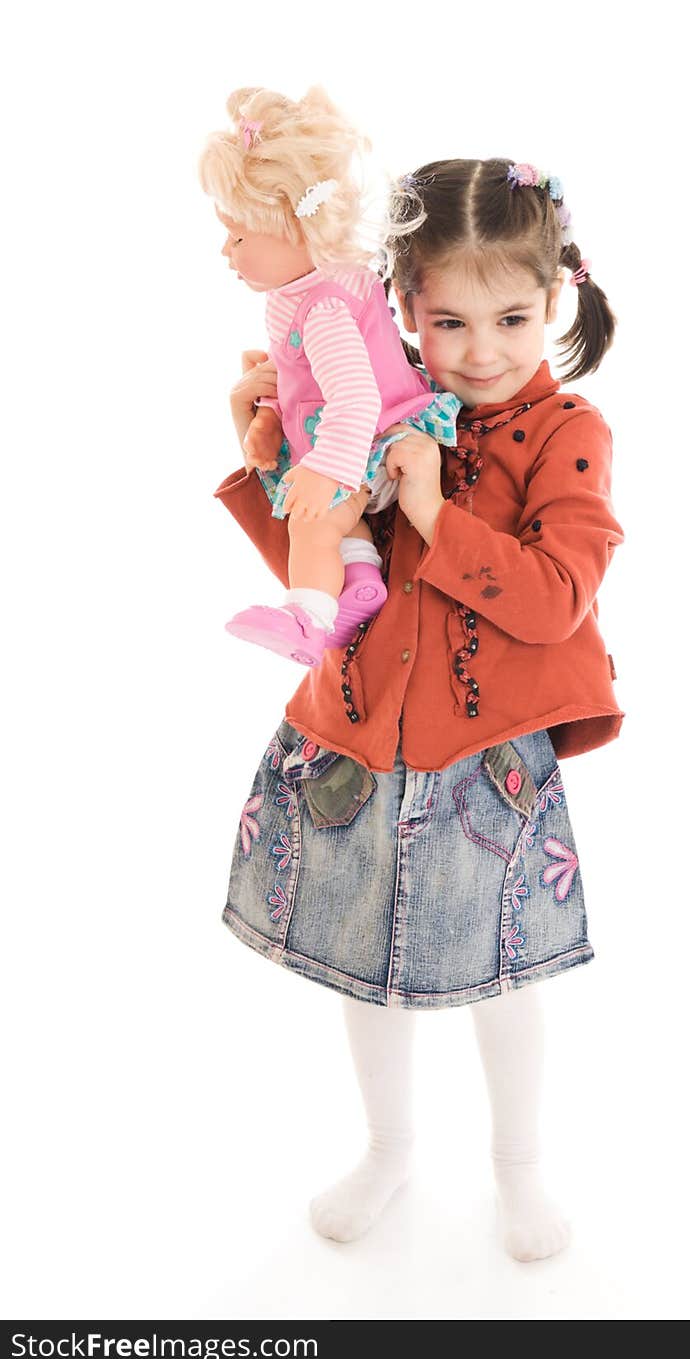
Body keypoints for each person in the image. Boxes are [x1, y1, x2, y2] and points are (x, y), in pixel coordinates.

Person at [214, 158, 625, 1262]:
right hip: (355, 737)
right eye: (447, 319)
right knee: (365, 963)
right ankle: (388, 1147)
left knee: (500, 973)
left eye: (511, 316)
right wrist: (274, 461)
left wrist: (436, 509)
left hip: (483, 764)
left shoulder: (565, 433)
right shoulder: (381, 413)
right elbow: (333, 589)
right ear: (399, 306)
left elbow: (551, 599)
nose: (481, 349)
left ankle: (517, 1171)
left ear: (556, 300)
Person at [199, 87, 460, 666]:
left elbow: (356, 396)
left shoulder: (323, 309)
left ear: (297, 229)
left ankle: (306, 619)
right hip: (353, 434)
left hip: (379, 436)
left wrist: (324, 469)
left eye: (239, 237)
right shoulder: (294, 297)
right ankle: (361, 577)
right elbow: (300, 382)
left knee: (310, 520)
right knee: (326, 518)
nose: (226, 251)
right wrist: (269, 418)